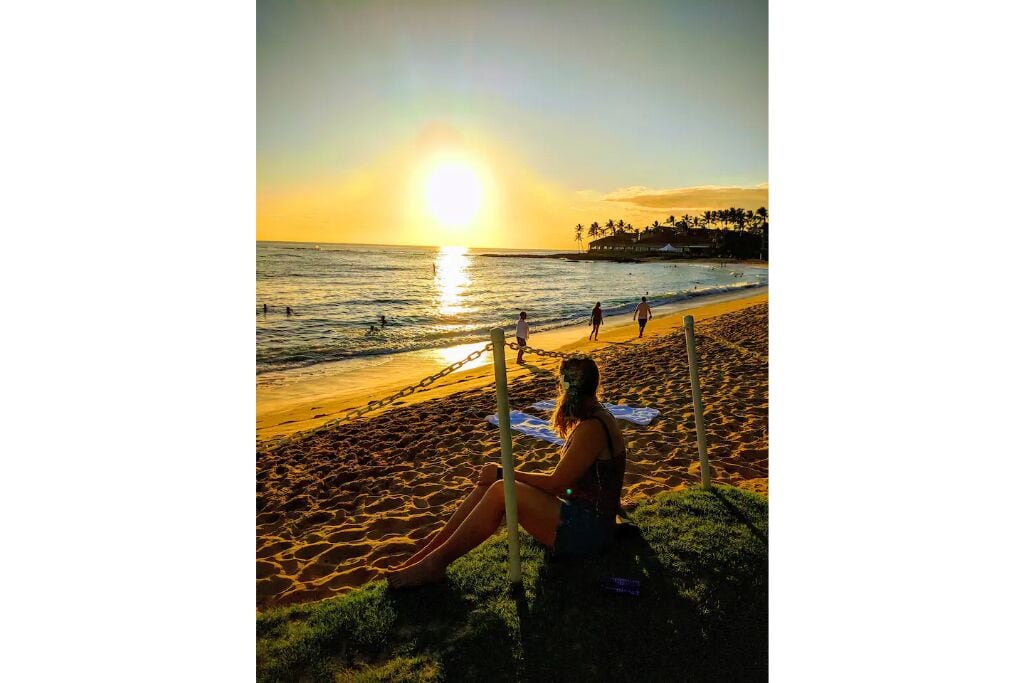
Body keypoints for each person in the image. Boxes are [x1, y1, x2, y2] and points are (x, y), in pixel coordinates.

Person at [387, 356, 626, 588]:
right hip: (584, 516)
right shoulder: (596, 417)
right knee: (490, 485)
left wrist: (504, 473)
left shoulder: (592, 428)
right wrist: (502, 475)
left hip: (590, 531)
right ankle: (428, 554)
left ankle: (435, 564)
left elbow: (557, 485)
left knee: (501, 488)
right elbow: (570, 485)